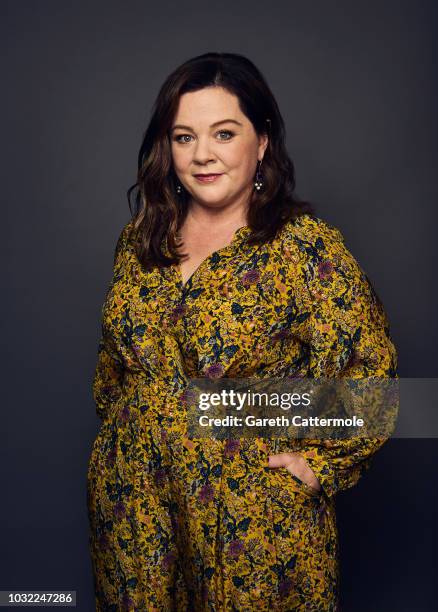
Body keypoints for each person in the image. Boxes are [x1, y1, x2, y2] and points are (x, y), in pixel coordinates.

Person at [87, 52, 398, 611]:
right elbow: (112, 373)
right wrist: (123, 445)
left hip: (250, 519)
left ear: (262, 142)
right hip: (134, 512)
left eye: (223, 133)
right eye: (183, 137)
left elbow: (373, 381)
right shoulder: (139, 242)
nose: (202, 154)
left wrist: (316, 466)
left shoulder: (304, 248)